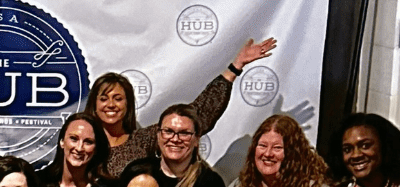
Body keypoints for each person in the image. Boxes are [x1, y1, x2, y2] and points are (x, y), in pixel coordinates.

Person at [86, 38, 277, 177]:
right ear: (94, 105)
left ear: (128, 105)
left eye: (118, 98)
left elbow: (198, 114)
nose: (111, 104)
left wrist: (234, 68)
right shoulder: (82, 143)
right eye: (104, 98)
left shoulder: (142, 140)